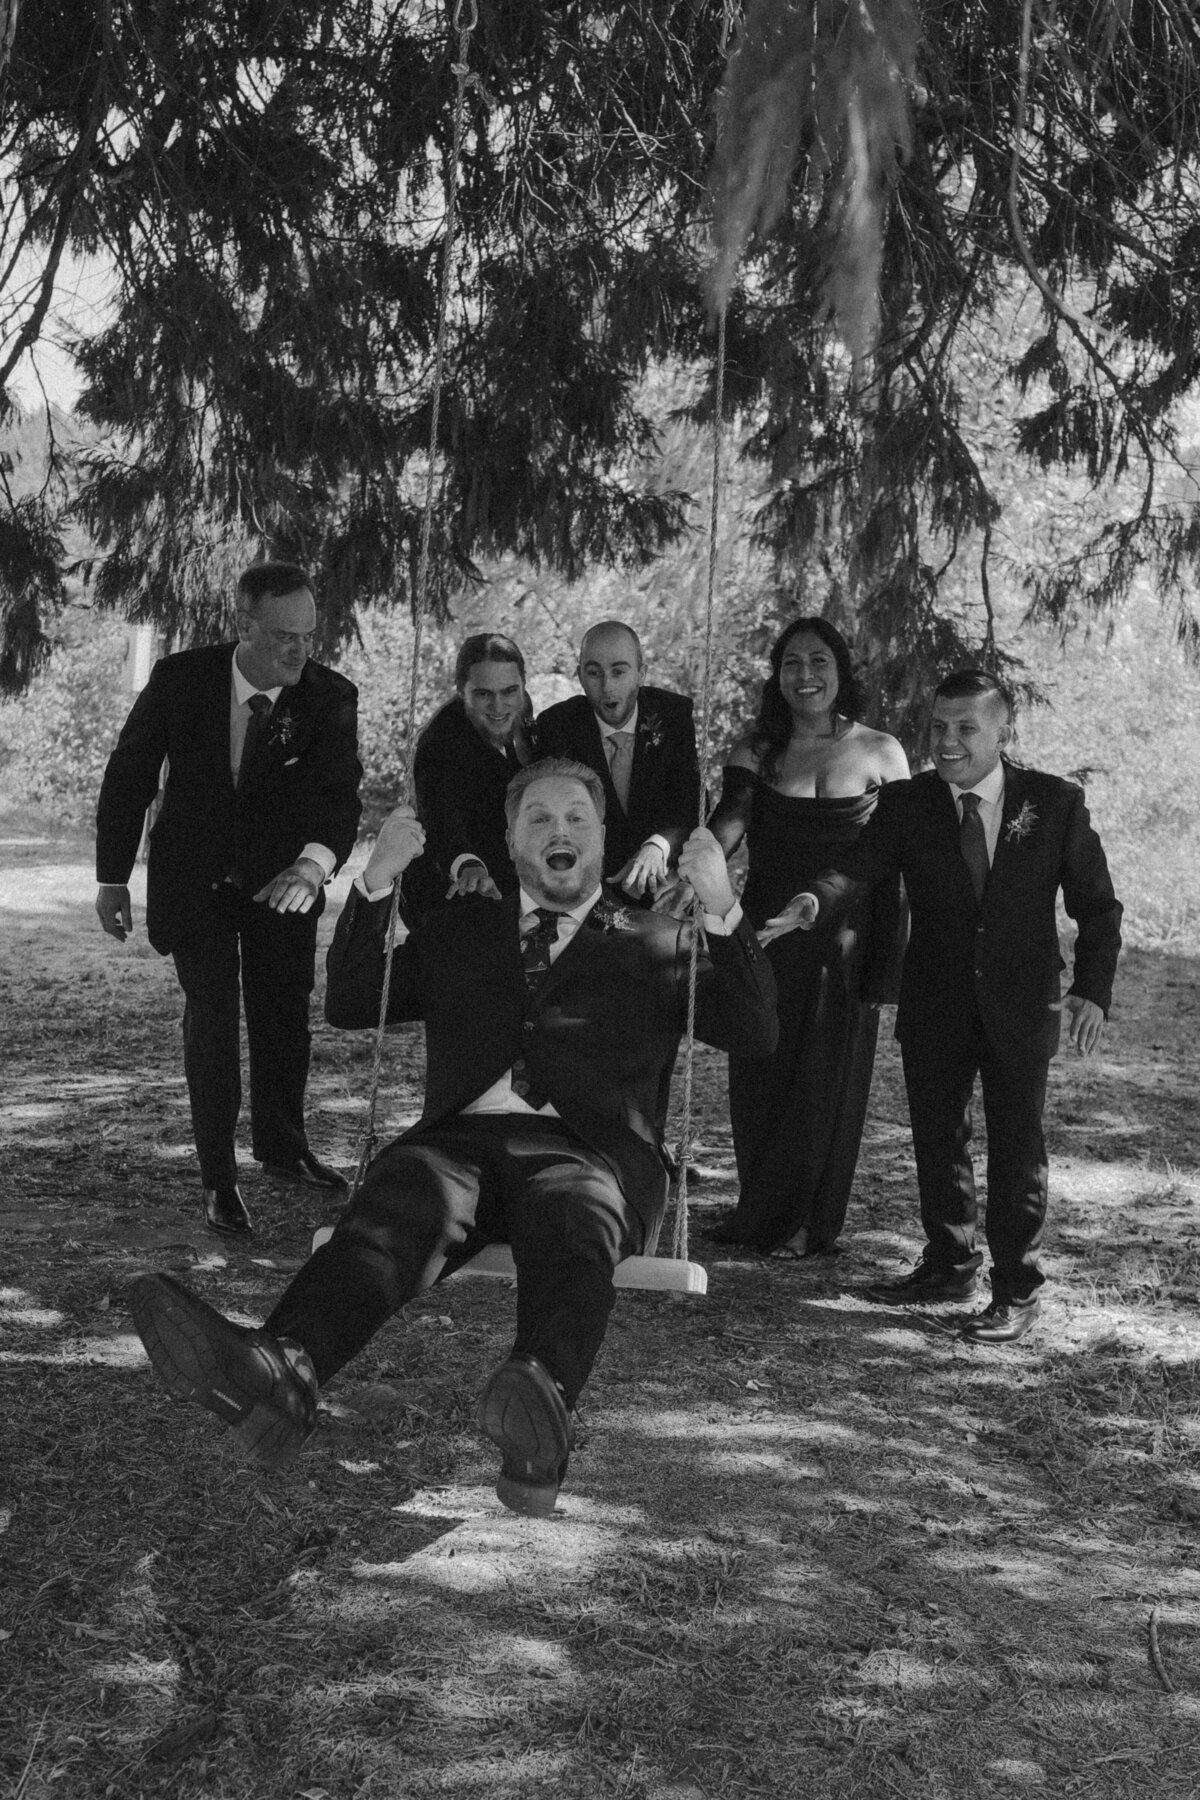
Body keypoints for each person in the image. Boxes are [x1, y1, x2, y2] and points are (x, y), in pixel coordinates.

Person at [129, 759, 777, 1516]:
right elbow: (350, 1001)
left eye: (576, 817)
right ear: (509, 840)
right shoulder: (462, 929)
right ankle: (283, 1372)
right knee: (392, 1212)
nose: (558, 831)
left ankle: (539, 1406)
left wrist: (724, 906)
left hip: (589, 1156)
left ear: (605, 837)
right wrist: (375, 884)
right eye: (538, 819)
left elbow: (757, 1030)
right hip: (458, 1147)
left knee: (574, 1223)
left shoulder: (660, 939)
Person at [784, 669, 1123, 1342]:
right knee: (938, 1138)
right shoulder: (908, 803)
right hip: (935, 996)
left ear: (1003, 731)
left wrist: (1091, 990)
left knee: (1017, 1144)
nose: (947, 741)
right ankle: (948, 1261)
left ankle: (1018, 1289)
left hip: (1021, 1003)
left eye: (966, 728)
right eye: (938, 727)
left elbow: (1098, 907)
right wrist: (815, 899)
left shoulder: (1054, 803)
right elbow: (858, 865)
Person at [95, 561, 363, 1236]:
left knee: (282, 1015)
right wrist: (112, 876)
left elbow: (338, 798)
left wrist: (311, 867)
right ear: (243, 626)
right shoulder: (181, 680)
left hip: (283, 885)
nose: (300, 649)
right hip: (196, 882)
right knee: (212, 1018)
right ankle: (218, 1179)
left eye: (309, 634)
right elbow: (129, 775)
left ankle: (283, 1146)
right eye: (283, 636)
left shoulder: (329, 698)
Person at [705, 617, 910, 1258]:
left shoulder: (882, 750)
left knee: (826, 1078)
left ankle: (806, 1222)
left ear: (841, 670)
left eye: (819, 661)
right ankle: (761, 1209)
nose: (805, 675)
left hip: (846, 934)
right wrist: (698, 865)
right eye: (792, 663)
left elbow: (897, 856)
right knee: (760, 1067)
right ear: (778, 675)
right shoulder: (755, 751)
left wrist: (891, 960)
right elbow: (729, 823)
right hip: (766, 929)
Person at [537, 621, 701, 899]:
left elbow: (690, 798)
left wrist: (659, 846)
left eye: (619, 671)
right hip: (589, 887)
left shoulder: (673, 715)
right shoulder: (556, 726)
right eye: (593, 673)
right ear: (579, 676)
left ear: (641, 673)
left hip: (665, 885)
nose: (606, 686)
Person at [405, 632, 537, 917]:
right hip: (451, 892)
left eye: (509, 691)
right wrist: (467, 865)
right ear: (460, 689)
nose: (499, 706)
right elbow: (442, 819)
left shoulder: (524, 709)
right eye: (483, 694)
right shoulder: (439, 743)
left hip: (517, 882)